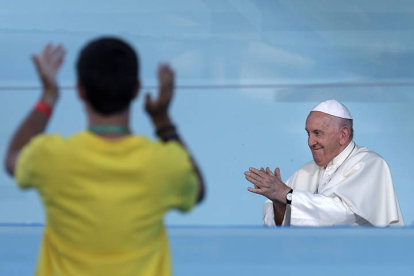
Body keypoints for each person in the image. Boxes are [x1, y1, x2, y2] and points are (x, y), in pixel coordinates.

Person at [4, 37, 205, 275]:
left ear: (80, 90)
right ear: (136, 90)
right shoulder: (162, 162)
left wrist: (49, 96)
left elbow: (12, 159)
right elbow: (198, 190)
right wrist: (162, 121)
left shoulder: (51, 157)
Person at [245, 100, 404, 227]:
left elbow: (345, 214)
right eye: (308, 134)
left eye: (317, 133)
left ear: (343, 135)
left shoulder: (370, 164)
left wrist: (286, 194)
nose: (310, 142)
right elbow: (282, 230)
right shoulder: (306, 171)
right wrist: (280, 205)